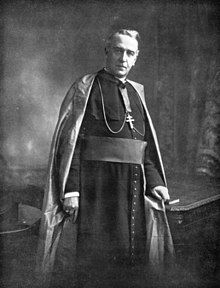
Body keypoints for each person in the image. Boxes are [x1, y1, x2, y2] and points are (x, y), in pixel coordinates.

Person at [36, 29, 174, 288]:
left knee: (132, 256)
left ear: (136, 58)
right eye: (119, 50)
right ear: (107, 51)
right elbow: (72, 143)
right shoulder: (86, 87)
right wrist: (72, 190)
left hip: (133, 186)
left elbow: (146, 149)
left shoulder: (137, 93)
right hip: (97, 188)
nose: (123, 58)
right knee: (96, 259)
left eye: (130, 53)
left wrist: (156, 182)